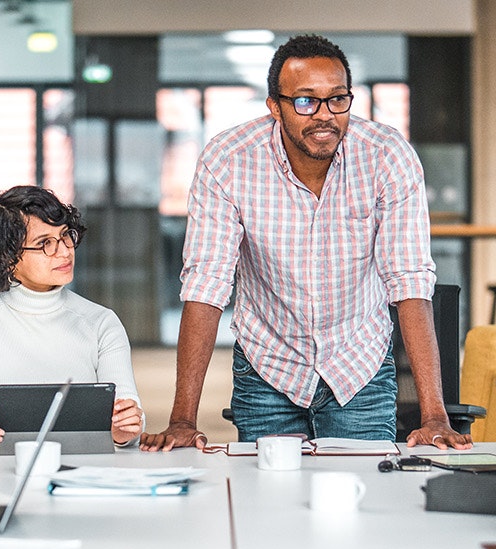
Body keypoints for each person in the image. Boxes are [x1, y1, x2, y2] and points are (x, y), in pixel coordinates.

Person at [141, 34, 470, 450]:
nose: (324, 116)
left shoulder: (387, 156)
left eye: (337, 99)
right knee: (270, 502)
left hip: (358, 365)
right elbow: (206, 285)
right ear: (274, 107)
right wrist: (183, 419)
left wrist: (435, 415)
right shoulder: (229, 160)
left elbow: (409, 282)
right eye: (305, 101)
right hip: (269, 366)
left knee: (365, 498)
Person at [0, 185, 144, 453]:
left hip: (80, 471)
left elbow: (129, 421)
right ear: (8, 256)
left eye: (65, 236)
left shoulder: (101, 323)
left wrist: (125, 429)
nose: (64, 251)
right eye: (44, 243)